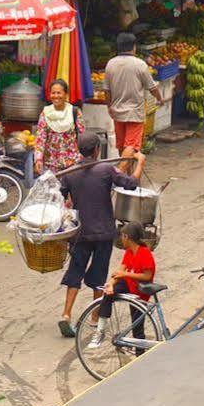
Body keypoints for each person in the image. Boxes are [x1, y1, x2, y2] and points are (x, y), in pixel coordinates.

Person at [57, 131, 144, 338]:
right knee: (99, 275)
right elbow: (131, 183)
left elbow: (60, 196)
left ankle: (66, 314)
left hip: (80, 232)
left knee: (74, 273)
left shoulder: (70, 172)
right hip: (104, 233)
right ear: (97, 150)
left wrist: (69, 200)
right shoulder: (106, 170)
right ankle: (95, 318)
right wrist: (139, 161)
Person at [102, 32, 157, 162]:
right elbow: (152, 88)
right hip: (134, 113)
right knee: (131, 147)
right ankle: (123, 175)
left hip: (117, 111)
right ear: (134, 47)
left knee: (122, 147)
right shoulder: (140, 64)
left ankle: (126, 176)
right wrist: (159, 99)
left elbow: (106, 90)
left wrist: (109, 106)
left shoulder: (110, 64)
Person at [110, 221, 158, 338]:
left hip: (141, 292)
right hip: (130, 287)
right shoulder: (129, 252)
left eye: (122, 236)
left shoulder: (145, 253)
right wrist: (111, 283)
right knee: (109, 292)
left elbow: (147, 276)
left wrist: (125, 274)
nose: (121, 239)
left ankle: (140, 353)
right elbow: (120, 271)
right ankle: (101, 325)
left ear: (127, 237)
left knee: (137, 327)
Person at [33, 78, 82, 176]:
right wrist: (38, 159)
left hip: (72, 164)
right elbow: (40, 139)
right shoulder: (45, 113)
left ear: (66, 95)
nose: (55, 96)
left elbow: (82, 136)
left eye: (59, 93)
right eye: (53, 93)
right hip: (51, 165)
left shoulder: (75, 112)